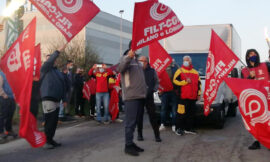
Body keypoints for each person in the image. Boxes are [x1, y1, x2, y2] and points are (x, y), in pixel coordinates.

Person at [118, 43, 147, 156]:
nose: (139, 49)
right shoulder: (126, 58)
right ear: (132, 48)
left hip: (140, 95)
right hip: (131, 96)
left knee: (134, 122)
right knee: (130, 123)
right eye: (137, 46)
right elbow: (120, 68)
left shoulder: (136, 61)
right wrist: (129, 56)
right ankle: (128, 146)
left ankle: (131, 143)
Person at [241, 49, 270, 150]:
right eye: (250, 54)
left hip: (267, 97)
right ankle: (256, 141)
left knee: (268, 120)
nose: (253, 55)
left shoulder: (266, 65)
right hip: (254, 100)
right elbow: (242, 85)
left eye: (254, 53)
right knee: (255, 120)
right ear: (247, 57)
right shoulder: (244, 70)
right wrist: (250, 77)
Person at [40, 44, 67, 149]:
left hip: (57, 99)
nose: (52, 61)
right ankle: (46, 141)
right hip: (48, 98)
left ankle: (51, 139)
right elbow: (49, 61)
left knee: (54, 121)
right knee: (49, 120)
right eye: (50, 59)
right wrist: (57, 51)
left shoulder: (58, 72)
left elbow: (63, 86)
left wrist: (64, 99)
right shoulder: (45, 68)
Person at [173, 56, 201, 136]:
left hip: (192, 97)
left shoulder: (195, 72)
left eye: (187, 60)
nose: (185, 62)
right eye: (184, 60)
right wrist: (185, 81)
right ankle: (178, 129)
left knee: (191, 114)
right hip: (182, 97)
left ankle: (188, 128)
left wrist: (198, 94)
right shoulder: (179, 71)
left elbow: (199, 84)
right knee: (181, 114)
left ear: (190, 62)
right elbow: (175, 81)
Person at [137, 56, 161, 142]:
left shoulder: (152, 71)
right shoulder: (135, 71)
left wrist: (153, 90)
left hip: (149, 97)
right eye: (139, 61)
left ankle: (157, 135)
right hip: (139, 97)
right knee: (139, 116)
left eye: (142, 61)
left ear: (146, 62)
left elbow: (157, 81)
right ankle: (139, 134)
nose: (140, 62)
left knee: (153, 116)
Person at [159, 63, 178, 132]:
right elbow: (159, 80)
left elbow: (178, 79)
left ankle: (174, 125)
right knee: (163, 109)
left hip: (173, 92)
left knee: (174, 110)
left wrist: (177, 90)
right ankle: (162, 124)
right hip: (165, 92)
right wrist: (160, 89)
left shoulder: (176, 69)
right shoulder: (162, 70)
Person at [0, 70, 16, 144]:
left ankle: (8, 130)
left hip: (11, 97)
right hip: (4, 97)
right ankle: (1, 132)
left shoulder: (6, 72)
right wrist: (4, 95)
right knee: (3, 115)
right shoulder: (0, 73)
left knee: (10, 114)